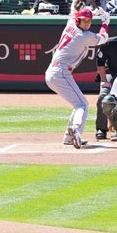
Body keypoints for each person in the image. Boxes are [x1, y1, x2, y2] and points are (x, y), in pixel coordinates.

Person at [45, 8, 110, 149]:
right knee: (83, 104)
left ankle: (68, 137)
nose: (87, 23)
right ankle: (75, 129)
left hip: (53, 72)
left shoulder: (70, 24)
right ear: (78, 20)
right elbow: (102, 38)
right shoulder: (83, 35)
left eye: (89, 21)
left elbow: (77, 15)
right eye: (84, 21)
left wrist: (94, 12)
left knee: (78, 103)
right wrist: (105, 22)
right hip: (60, 72)